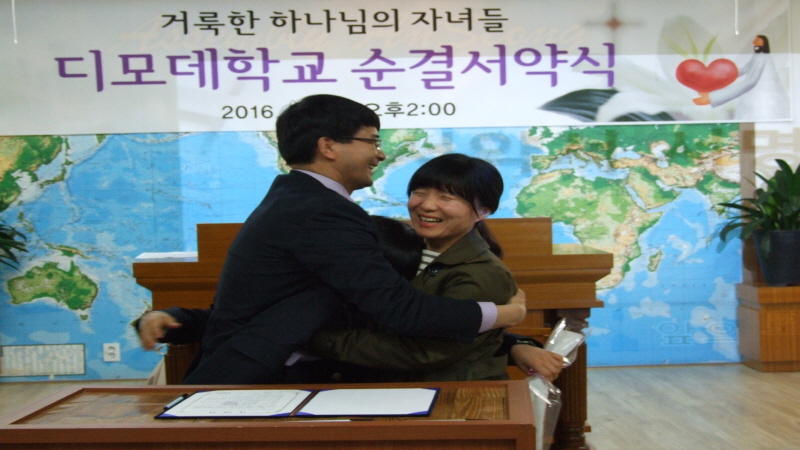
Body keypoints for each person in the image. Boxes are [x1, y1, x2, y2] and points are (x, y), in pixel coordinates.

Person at [166, 94, 525, 384]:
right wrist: (506, 314)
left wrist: (517, 343)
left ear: (483, 210)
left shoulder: (296, 199)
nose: (380, 153)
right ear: (328, 146)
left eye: (447, 197)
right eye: (372, 141)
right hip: (261, 377)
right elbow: (399, 310)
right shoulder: (322, 212)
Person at [309, 154, 563, 381]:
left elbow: (425, 351)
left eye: (446, 197)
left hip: (451, 396)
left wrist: (316, 338)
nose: (427, 205)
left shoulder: (483, 272)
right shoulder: (398, 244)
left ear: (483, 210)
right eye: (420, 192)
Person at [693, 35, 789, 120]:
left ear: (763, 43)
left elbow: (751, 81)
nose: (753, 42)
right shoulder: (757, 56)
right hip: (753, 101)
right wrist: (719, 75)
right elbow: (745, 69)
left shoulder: (762, 58)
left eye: (757, 40)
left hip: (762, 103)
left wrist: (713, 97)